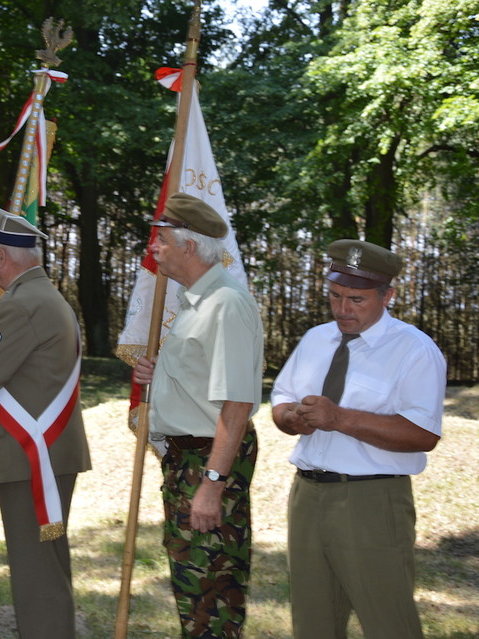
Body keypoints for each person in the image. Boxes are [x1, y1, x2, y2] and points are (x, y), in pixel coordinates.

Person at [270, 239, 446, 639]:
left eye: (356, 299)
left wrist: (342, 419)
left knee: (389, 622)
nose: (342, 309)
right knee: (313, 623)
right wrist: (290, 418)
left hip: (371, 501)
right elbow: (280, 398)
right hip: (308, 496)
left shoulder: (414, 350)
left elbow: (423, 434)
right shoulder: (316, 339)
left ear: (389, 296)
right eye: (334, 296)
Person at [0, 208, 91, 639]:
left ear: (0, 259)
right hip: (43, 453)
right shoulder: (47, 297)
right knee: (45, 563)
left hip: (28, 454)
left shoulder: (21, 304)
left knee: (36, 572)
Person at [132, 193, 263, 638]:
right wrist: (160, 372)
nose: (154, 248)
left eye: (162, 239)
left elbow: (237, 404)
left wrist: (211, 484)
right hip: (187, 460)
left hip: (209, 460)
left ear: (189, 247)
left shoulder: (225, 304)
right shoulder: (196, 302)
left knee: (212, 589)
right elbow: (202, 376)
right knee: (195, 587)